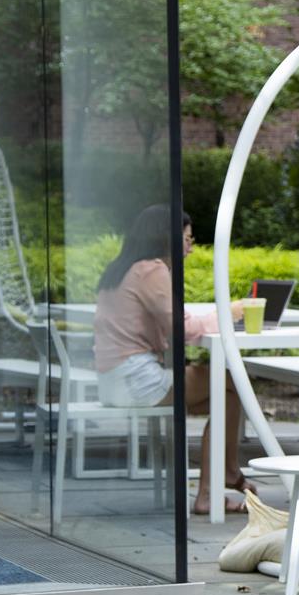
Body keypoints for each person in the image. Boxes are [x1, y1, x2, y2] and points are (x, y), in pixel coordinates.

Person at [94, 204, 254, 516]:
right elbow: (183, 329)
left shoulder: (124, 268)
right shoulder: (151, 270)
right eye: (187, 238)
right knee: (232, 382)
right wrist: (229, 312)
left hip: (115, 380)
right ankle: (222, 481)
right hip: (135, 380)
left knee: (227, 395)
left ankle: (222, 479)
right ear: (167, 237)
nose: (191, 247)